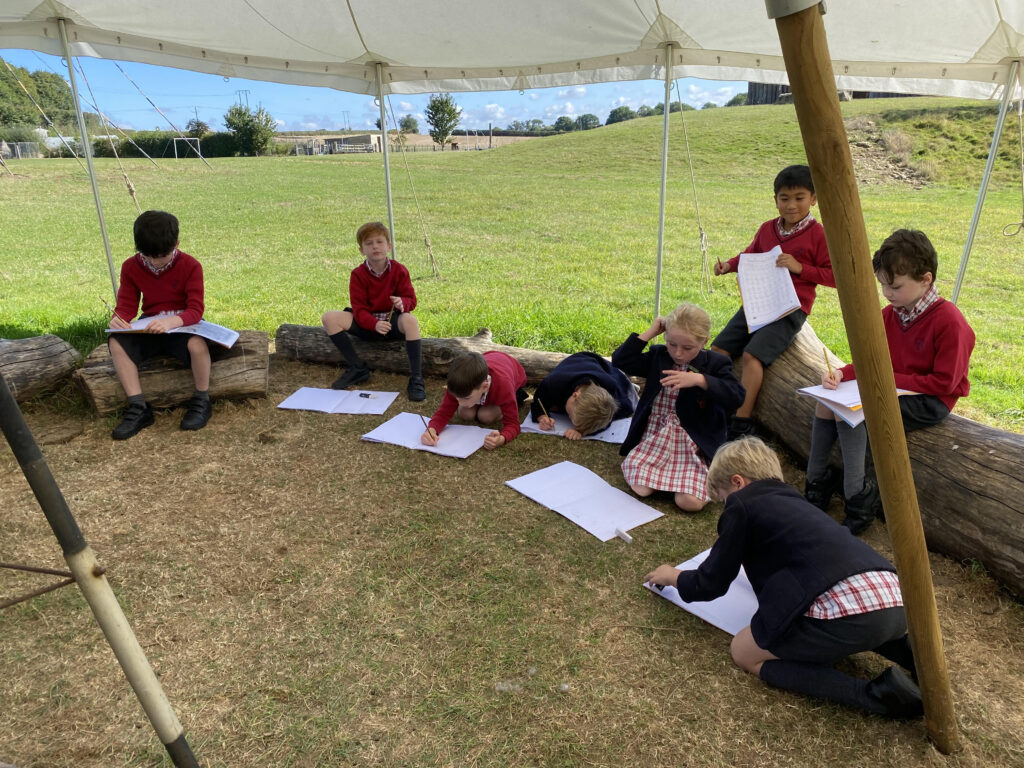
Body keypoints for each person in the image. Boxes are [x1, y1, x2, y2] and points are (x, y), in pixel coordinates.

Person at [646, 437, 922, 719]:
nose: (725, 505)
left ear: (738, 482)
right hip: (893, 599)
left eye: (722, 497)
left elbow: (711, 582)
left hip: (850, 614)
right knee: (860, 617)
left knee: (744, 651)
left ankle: (875, 695)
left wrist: (674, 576)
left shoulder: (742, 505)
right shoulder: (794, 501)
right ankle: (912, 655)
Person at [804, 229, 976, 534]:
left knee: (855, 413)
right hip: (890, 388)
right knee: (827, 405)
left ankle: (857, 496)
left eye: (894, 286)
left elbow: (946, 383)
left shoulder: (950, 321)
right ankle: (816, 481)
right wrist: (843, 373)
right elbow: (869, 359)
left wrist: (883, 381)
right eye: (882, 285)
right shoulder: (889, 315)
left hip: (930, 400)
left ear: (926, 279)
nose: (887, 293)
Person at [711, 164, 835, 439]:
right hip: (758, 302)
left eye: (799, 198)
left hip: (790, 309)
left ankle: (741, 421)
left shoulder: (819, 235)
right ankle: (716, 404)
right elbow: (750, 255)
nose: (791, 205)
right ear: (775, 199)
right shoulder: (768, 229)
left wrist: (801, 268)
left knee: (752, 356)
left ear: (813, 199)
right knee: (718, 349)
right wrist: (729, 266)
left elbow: (834, 276)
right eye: (784, 198)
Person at [612, 303, 745, 512]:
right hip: (656, 440)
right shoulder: (660, 356)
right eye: (672, 344)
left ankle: (685, 482)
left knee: (688, 503)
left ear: (704, 342)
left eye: (687, 348)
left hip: (692, 445)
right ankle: (664, 479)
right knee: (641, 489)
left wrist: (701, 380)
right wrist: (651, 332)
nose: (678, 353)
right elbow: (621, 360)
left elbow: (736, 396)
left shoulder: (715, 364)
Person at [107, 210, 212, 439]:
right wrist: (120, 318)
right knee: (116, 341)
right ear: (138, 250)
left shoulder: (191, 265)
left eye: (162, 256)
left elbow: (195, 310)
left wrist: (171, 321)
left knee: (197, 345)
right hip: (151, 326)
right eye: (148, 256)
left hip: (183, 326)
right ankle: (138, 407)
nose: (155, 261)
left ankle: (202, 399)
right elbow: (126, 305)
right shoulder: (131, 267)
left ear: (177, 244)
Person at [321, 221, 425, 401]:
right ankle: (357, 368)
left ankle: (416, 378)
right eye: (369, 243)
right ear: (362, 250)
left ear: (389, 246)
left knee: (410, 320)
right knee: (329, 318)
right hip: (367, 323)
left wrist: (402, 303)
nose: (375, 247)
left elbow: (412, 300)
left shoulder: (399, 270)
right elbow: (359, 309)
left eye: (379, 242)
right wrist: (374, 324)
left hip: (391, 322)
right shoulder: (358, 274)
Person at [422, 351, 527, 451]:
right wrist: (431, 430)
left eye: (466, 398)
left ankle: (514, 399)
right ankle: (476, 402)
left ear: (484, 387)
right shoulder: (457, 384)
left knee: (485, 416)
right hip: (488, 363)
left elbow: (513, 424)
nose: (460, 403)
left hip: (511, 373)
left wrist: (502, 439)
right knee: (465, 413)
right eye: (457, 398)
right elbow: (443, 413)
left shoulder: (503, 386)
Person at [528, 351, 638, 440]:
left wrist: (581, 431)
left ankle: (629, 386)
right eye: (570, 416)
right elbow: (538, 401)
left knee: (625, 407)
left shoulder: (610, 386)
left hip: (606, 373)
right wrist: (542, 416)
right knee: (552, 404)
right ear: (575, 395)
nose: (570, 421)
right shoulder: (553, 383)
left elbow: (605, 421)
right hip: (582, 361)